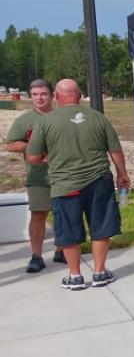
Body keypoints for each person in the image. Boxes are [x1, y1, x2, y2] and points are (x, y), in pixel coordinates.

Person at [26, 79, 130, 290]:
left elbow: (33, 157)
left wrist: (50, 158)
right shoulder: (99, 118)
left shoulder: (45, 122)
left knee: (69, 230)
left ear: (56, 96)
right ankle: (100, 273)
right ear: (80, 95)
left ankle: (75, 276)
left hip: (65, 185)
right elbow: (115, 150)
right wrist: (122, 174)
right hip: (99, 181)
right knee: (101, 227)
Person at [4, 78, 64, 272]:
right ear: (30, 96)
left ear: (52, 95)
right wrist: (34, 148)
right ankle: (36, 256)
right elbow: (11, 144)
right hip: (38, 176)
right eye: (35, 94)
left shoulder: (62, 117)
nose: (39, 98)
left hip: (64, 175)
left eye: (44, 94)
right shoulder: (25, 121)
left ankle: (62, 250)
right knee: (38, 215)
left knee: (63, 213)